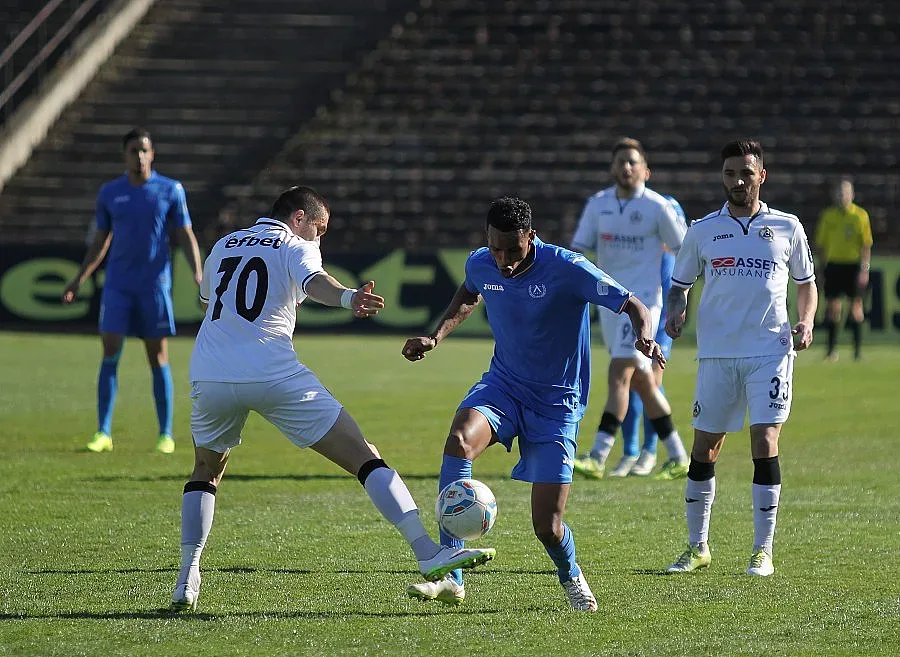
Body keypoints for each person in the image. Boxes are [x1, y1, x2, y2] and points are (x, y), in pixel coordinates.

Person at [169, 186, 495, 611]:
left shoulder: (224, 244)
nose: (319, 239)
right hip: (273, 374)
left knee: (205, 472)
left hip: (210, 374)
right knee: (366, 457)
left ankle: (187, 579)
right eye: (319, 229)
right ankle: (428, 552)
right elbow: (314, 281)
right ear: (299, 218)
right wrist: (349, 298)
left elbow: (210, 299)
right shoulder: (294, 244)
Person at [402, 196, 664, 611]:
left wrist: (643, 335)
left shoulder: (567, 268)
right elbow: (469, 295)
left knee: (547, 525)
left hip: (557, 403)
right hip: (504, 386)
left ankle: (571, 574)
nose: (502, 260)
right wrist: (435, 337)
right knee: (458, 441)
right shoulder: (481, 262)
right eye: (495, 248)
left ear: (532, 237)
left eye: (513, 248)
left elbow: (633, 304)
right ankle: (450, 574)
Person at [663, 139, 816, 577]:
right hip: (717, 354)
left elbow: (806, 283)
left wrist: (804, 321)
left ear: (761, 176)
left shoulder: (788, 227)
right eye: (730, 174)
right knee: (705, 448)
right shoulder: (703, 229)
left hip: (770, 351)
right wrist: (676, 309)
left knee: (764, 441)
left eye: (745, 173)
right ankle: (697, 547)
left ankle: (762, 550)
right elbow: (679, 283)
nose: (737, 181)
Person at [62, 128, 203, 454]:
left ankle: (165, 434)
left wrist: (198, 273)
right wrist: (79, 279)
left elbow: (185, 235)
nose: (139, 156)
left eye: (144, 150)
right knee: (110, 352)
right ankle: (103, 433)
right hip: (118, 285)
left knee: (157, 355)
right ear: (124, 155)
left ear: (152, 154)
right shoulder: (110, 193)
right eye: (133, 151)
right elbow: (100, 241)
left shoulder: (170, 190)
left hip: (154, 286)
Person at [569, 138, 690, 480]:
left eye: (633, 162)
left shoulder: (657, 207)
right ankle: (679, 455)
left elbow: (686, 249)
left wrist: (679, 297)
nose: (626, 167)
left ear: (644, 170)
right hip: (608, 304)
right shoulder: (598, 205)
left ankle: (598, 454)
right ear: (612, 167)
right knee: (643, 381)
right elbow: (578, 251)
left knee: (620, 372)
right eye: (621, 161)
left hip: (642, 304)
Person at [815, 177, 873, 361]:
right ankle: (832, 351)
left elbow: (866, 246)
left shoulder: (860, 215)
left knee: (856, 308)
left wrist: (864, 270)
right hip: (834, 266)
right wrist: (821, 269)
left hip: (853, 266)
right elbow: (821, 245)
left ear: (852, 194)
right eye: (839, 192)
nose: (842, 196)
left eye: (845, 192)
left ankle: (857, 351)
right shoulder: (828, 215)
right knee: (833, 309)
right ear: (834, 195)